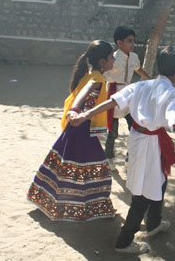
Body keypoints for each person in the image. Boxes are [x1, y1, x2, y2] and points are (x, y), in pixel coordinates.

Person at [69, 46, 175, 254]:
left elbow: (111, 102)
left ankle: (154, 223)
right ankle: (124, 241)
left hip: (138, 140)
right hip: (150, 145)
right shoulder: (172, 93)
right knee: (142, 195)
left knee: (160, 179)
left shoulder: (142, 85)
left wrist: (85, 115)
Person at [27, 40, 117, 221]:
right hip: (81, 129)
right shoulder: (96, 78)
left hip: (78, 128)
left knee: (68, 167)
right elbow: (83, 94)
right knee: (95, 170)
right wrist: (75, 111)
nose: (113, 61)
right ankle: (87, 208)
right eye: (111, 58)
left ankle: (63, 204)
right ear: (102, 62)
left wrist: (75, 114)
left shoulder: (90, 74)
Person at [104, 26, 152, 169]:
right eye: (129, 41)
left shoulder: (135, 57)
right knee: (112, 132)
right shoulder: (112, 58)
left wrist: (150, 79)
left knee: (134, 127)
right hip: (112, 95)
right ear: (120, 43)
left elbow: (138, 69)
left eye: (133, 41)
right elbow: (103, 72)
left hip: (129, 94)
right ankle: (109, 158)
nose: (133, 44)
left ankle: (130, 157)